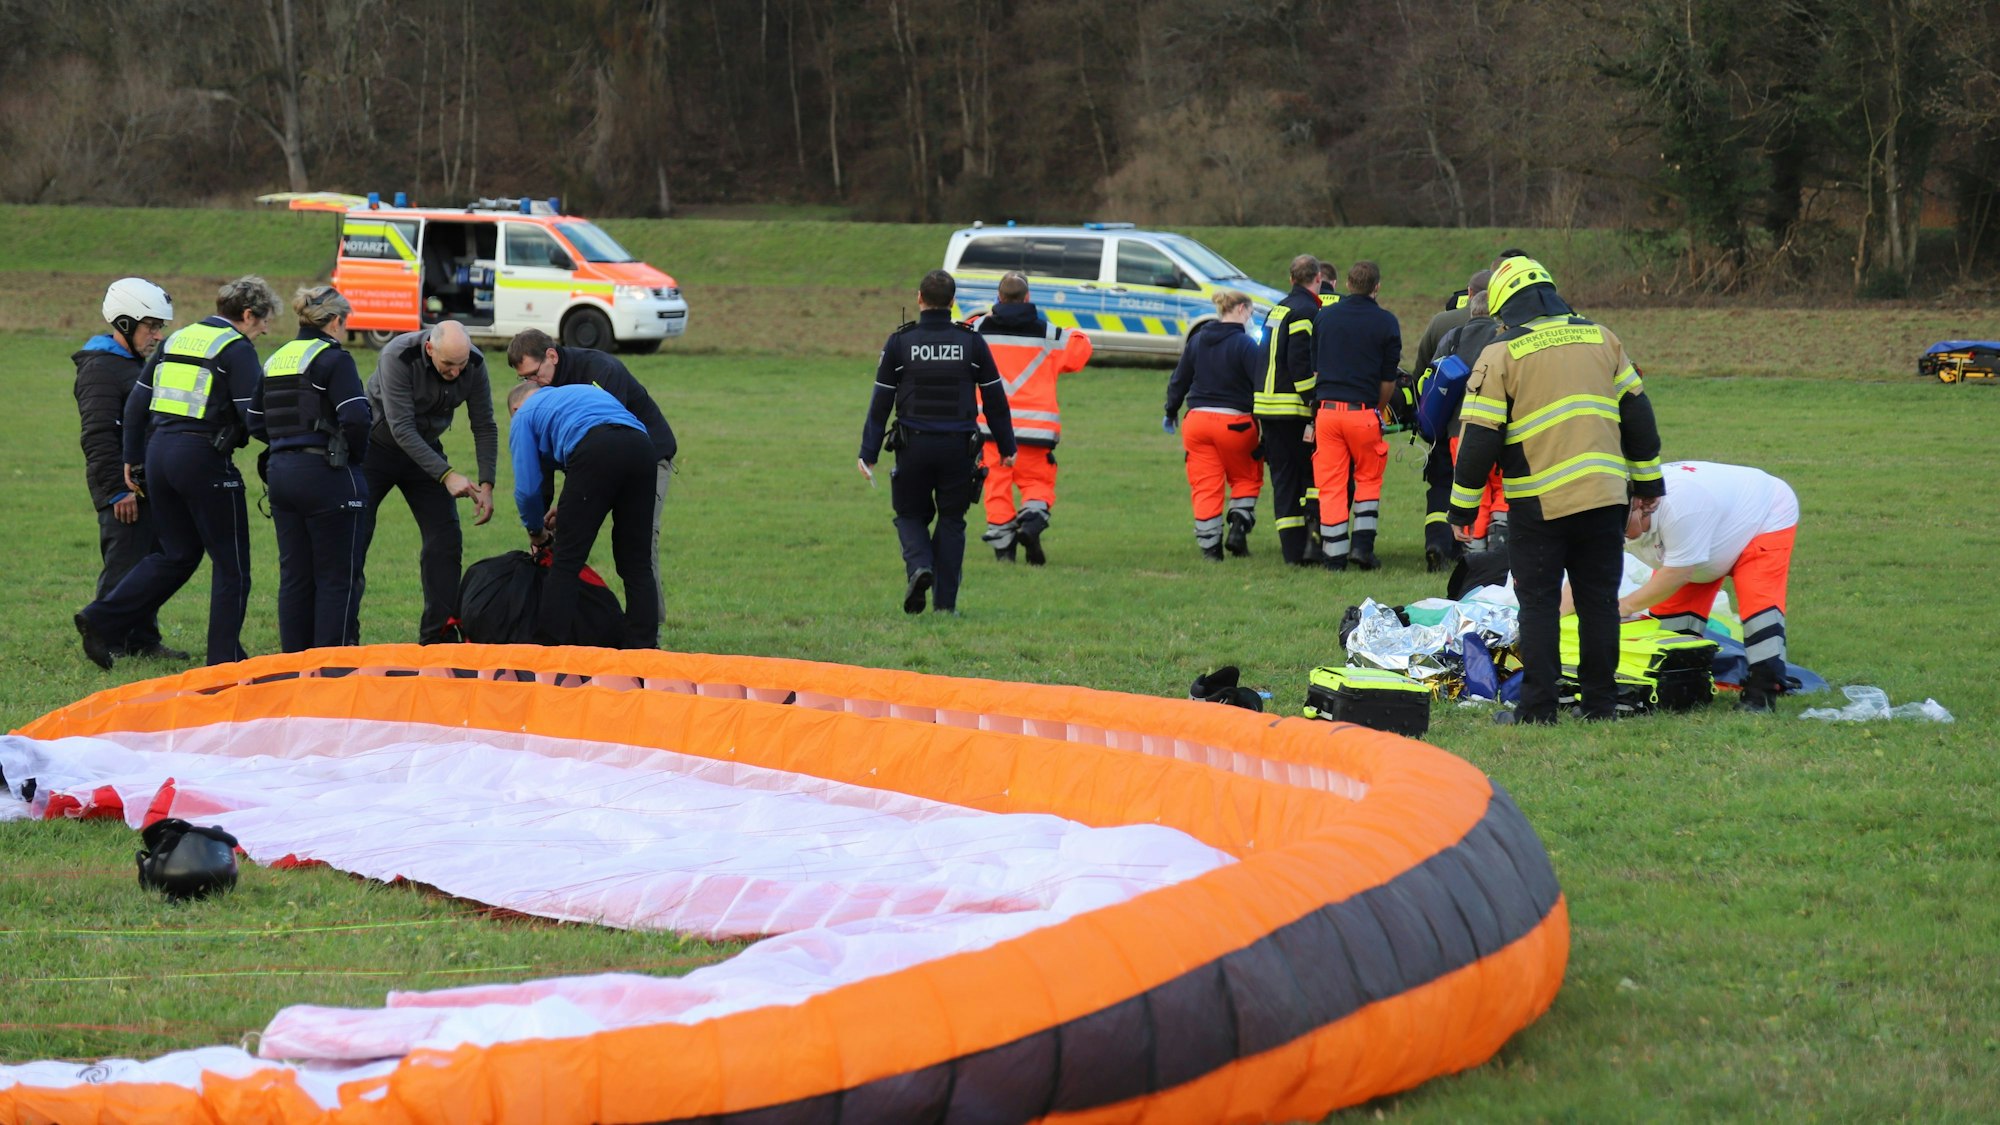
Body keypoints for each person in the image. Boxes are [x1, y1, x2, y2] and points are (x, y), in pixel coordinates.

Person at [1450, 256, 1664, 725]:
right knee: (1598, 603)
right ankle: (1601, 706)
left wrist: (1462, 509)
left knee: (1540, 606)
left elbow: (1479, 439)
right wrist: (1648, 484)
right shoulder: (1603, 338)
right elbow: (1638, 415)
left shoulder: (1501, 353)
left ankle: (1538, 709)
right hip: (1605, 497)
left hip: (1539, 505)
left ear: (1504, 306)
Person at [75, 276, 278, 669]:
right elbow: (254, 417)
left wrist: (131, 459)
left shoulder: (178, 339)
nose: (265, 330)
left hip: (159, 457)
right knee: (232, 565)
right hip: (202, 458)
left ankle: (101, 619)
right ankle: (225, 658)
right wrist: (290, 444)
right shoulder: (236, 348)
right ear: (248, 314)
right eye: (264, 320)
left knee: (177, 553)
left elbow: (137, 404)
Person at [857, 269, 1016, 615]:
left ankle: (919, 567)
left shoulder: (900, 342)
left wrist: (869, 452)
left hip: (913, 446)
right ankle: (945, 606)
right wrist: (1007, 447)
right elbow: (995, 400)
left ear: (919, 298)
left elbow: (881, 402)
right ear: (953, 302)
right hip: (959, 448)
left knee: (910, 514)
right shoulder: (972, 342)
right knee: (952, 521)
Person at [508, 328, 678, 643]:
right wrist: (566, 503)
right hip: (642, 447)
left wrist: (535, 530)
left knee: (567, 558)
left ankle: (548, 649)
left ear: (516, 409)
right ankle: (642, 649)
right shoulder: (577, 393)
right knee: (635, 561)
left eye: (533, 374)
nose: (535, 381)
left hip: (607, 451)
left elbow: (528, 488)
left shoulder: (524, 414)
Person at [1616, 461, 1799, 712]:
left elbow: (1678, 573)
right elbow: (1586, 573)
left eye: (1622, 526)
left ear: (1641, 506)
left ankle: (1763, 690)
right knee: (1670, 624)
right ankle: (1682, 688)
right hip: (1704, 532)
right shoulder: (1612, 512)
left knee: (1759, 605)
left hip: (1764, 517)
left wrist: (1624, 606)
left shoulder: (1680, 509)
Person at [73, 278, 187, 662]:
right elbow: (98, 435)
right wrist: (116, 490)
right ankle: (105, 640)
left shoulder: (135, 364)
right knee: (124, 564)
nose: (157, 335)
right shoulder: (100, 369)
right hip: (121, 489)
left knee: (147, 563)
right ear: (124, 323)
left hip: (144, 483)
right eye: (150, 326)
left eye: (160, 327)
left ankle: (142, 640)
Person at [252, 286, 372, 652]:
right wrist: (354, 457)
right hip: (326, 473)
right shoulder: (334, 359)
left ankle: (294, 663)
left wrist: (287, 441)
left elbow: (254, 421)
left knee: (295, 577)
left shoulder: (276, 358)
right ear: (335, 321)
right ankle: (330, 666)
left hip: (280, 474)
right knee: (337, 577)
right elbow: (356, 417)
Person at [361, 321, 497, 643]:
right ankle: (343, 638)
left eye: (461, 364)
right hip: (374, 449)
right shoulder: (397, 356)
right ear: (429, 349)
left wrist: (487, 484)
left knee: (445, 540)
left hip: (425, 449)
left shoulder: (475, 363)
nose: (455, 372)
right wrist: (447, 475)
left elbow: (484, 424)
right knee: (354, 538)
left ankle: (440, 638)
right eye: (448, 364)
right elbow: (401, 428)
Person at [967, 272, 1091, 566]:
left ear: (998, 298)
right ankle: (1031, 523)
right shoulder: (1049, 335)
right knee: (1037, 483)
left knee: (996, 486)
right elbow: (1080, 349)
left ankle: (1004, 553)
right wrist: (1073, 331)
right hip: (1036, 430)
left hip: (991, 430)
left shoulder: (977, 330)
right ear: (1027, 298)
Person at [1309, 260, 1401, 571]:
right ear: (1377, 287)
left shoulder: (1324, 316)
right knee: (1368, 479)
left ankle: (1333, 556)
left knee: (1331, 484)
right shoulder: (1386, 322)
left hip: (1327, 413)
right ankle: (1362, 547)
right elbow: (1388, 380)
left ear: (1348, 284)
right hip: (1362, 412)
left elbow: (1316, 370)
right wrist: (1378, 408)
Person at [1165, 290, 1264, 559]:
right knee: (1246, 476)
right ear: (1241, 309)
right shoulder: (1246, 345)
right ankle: (1238, 527)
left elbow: (1179, 379)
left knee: (1205, 484)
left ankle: (1210, 549)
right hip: (1236, 423)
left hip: (1197, 422)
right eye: (1251, 313)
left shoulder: (1198, 340)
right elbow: (1261, 385)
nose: (1251, 318)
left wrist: (1170, 410)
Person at [1414, 269, 1497, 569]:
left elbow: (1424, 376)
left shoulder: (1445, 327)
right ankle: (1488, 552)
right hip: (1492, 428)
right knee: (1492, 489)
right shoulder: (1504, 334)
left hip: (1451, 429)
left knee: (1452, 486)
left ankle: (1447, 545)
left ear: (1469, 295)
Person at [1432, 275, 1509, 554]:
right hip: (1497, 429)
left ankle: (1473, 555)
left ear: (1471, 310)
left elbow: (1433, 381)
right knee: (1502, 490)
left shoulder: (1452, 338)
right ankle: (1499, 548)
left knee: (1472, 490)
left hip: (1458, 431)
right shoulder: (1504, 338)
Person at [1255, 255, 1323, 567]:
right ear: (1318, 278)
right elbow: (1299, 361)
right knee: (1309, 476)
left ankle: (1291, 553)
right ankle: (1310, 545)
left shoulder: (1278, 308)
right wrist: (1313, 399)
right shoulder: (1306, 311)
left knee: (1283, 480)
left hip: (1267, 407)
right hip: (1292, 409)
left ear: (1291, 278)